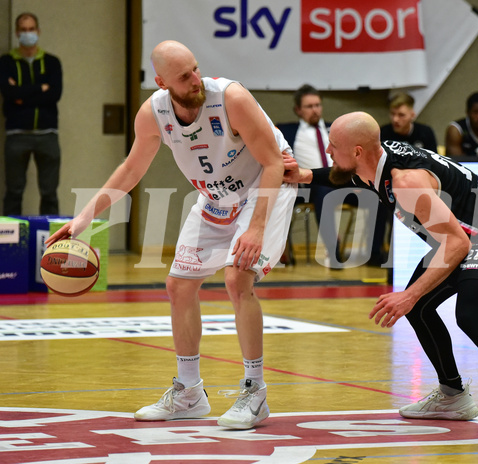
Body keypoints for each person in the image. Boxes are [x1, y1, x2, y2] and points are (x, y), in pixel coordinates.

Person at [45, 40, 296, 430]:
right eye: (184, 76)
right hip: (216, 198)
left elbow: (272, 162)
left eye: (196, 69)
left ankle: (255, 391)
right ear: (162, 82)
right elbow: (131, 170)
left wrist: (257, 227)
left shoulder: (231, 98)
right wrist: (83, 221)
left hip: (266, 190)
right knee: (178, 286)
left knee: (237, 278)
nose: (196, 80)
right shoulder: (153, 113)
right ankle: (189, 393)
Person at [283, 111, 478, 452]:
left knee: (471, 316)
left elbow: (457, 243)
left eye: (333, 145)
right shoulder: (373, 161)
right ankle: (452, 396)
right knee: (418, 307)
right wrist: (306, 174)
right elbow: (344, 175)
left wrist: (408, 294)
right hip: (463, 234)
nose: (327, 149)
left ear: (358, 151)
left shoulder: (405, 181)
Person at [0, 12, 62, 215]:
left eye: (31, 29)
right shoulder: (6, 63)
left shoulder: (52, 62)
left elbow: (54, 94)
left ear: (38, 31)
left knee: (50, 193)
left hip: (47, 134)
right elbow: (9, 94)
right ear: (17, 33)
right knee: (13, 192)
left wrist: (22, 93)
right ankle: (10, 243)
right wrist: (40, 88)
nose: (28, 33)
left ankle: (52, 243)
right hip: (16, 135)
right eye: (24, 30)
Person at [277, 84, 344, 266]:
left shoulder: (336, 129)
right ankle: (332, 251)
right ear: (298, 110)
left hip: (343, 182)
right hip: (309, 185)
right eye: (309, 106)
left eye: (317, 105)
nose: (315, 110)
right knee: (319, 190)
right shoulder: (288, 132)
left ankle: (377, 254)